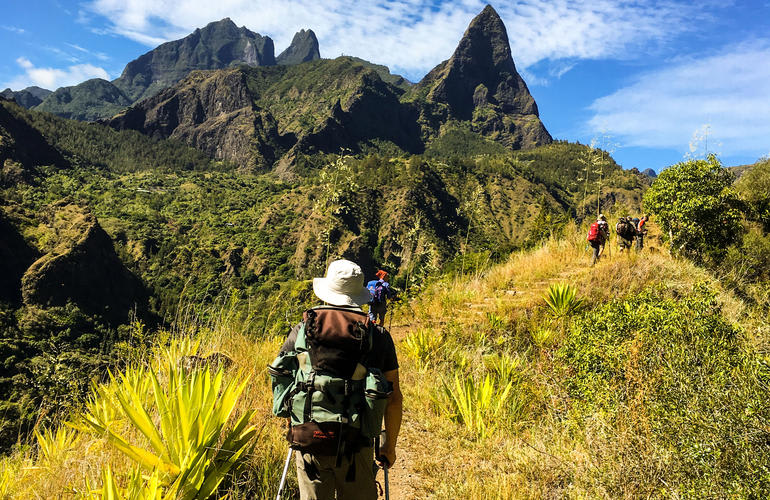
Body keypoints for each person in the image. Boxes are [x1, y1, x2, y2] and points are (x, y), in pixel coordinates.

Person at [274, 259, 402, 500]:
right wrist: (389, 447)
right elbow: (394, 399)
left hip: (309, 439)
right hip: (356, 443)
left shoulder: (301, 331)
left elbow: (285, 381)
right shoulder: (378, 337)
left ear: (327, 292)